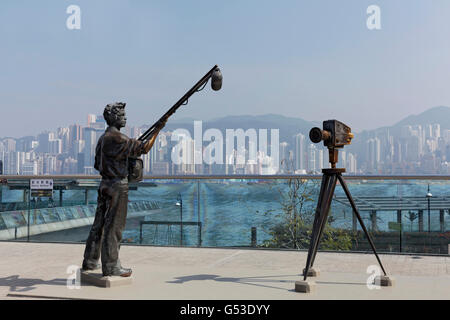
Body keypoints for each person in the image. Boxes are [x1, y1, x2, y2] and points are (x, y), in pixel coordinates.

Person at [81, 102, 165, 277]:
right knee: (114, 227)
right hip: (118, 186)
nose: (125, 117)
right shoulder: (118, 138)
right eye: (121, 114)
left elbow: (97, 164)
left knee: (99, 225)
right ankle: (111, 266)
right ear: (112, 118)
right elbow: (144, 148)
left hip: (104, 184)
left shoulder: (103, 138)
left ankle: (90, 261)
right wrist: (158, 129)